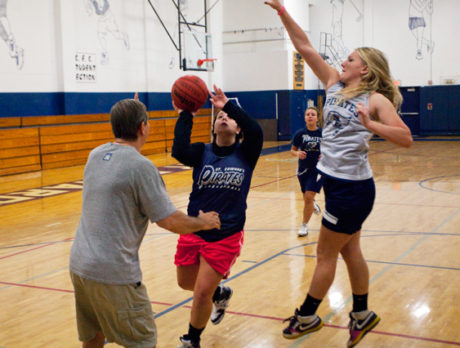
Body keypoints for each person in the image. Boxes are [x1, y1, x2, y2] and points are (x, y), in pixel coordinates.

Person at [265, 1, 413, 347]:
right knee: (350, 252)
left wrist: (371, 124)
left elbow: (405, 137)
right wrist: (282, 11)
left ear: (364, 70)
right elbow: (304, 47)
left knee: (325, 255)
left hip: (351, 189)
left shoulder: (376, 99)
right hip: (336, 183)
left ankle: (307, 316)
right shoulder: (332, 82)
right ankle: (362, 314)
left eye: (350, 59)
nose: (342, 62)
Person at [69, 97, 221, 348]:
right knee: (143, 341)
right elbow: (170, 221)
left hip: (79, 266)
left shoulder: (95, 155)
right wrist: (202, 222)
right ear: (143, 128)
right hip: (113, 271)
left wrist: (130, 110)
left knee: (94, 336)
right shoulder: (141, 167)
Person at [172, 85, 263, 348]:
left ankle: (192, 339)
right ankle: (221, 293)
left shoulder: (246, 153)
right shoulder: (202, 152)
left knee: (201, 294)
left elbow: (255, 131)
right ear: (213, 129)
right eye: (219, 118)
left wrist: (228, 106)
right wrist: (186, 113)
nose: (223, 119)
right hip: (193, 229)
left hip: (226, 234)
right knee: (185, 283)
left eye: (229, 119)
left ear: (238, 129)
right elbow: (178, 150)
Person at [290, 106, 323, 237]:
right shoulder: (300, 134)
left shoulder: (322, 134)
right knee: (307, 198)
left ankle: (304, 225)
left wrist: (325, 154)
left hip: (318, 170)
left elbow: (331, 149)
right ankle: (313, 204)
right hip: (303, 170)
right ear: (305, 117)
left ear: (317, 118)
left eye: (313, 114)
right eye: (308, 114)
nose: (310, 116)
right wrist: (297, 153)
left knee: (308, 196)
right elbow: (292, 150)